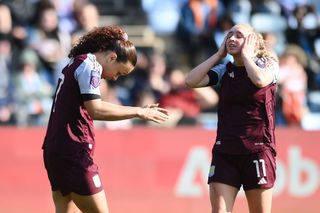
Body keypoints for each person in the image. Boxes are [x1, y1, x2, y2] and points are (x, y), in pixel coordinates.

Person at [42, 26, 170, 213]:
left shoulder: (76, 62)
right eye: (119, 72)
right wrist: (139, 112)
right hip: (73, 150)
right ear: (112, 57)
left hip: (55, 149)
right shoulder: (91, 64)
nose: (115, 78)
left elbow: (91, 106)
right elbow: (96, 109)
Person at [185, 23, 279, 213]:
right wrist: (218, 55)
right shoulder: (224, 70)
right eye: (229, 35)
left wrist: (246, 56)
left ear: (254, 42)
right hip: (225, 151)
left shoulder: (268, 64)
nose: (232, 39)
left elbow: (260, 81)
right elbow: (191, 80)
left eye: (239, 36)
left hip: (258, 150)